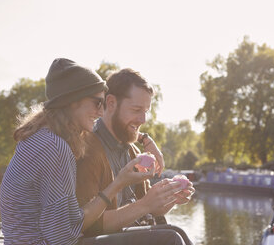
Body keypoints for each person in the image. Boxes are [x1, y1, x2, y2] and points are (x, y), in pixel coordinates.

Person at [0, 58, 185, 245]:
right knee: (170, 238)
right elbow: (64, 236)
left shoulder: (39, 138)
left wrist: (144, 139)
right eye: (98, 103)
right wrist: (119, 183)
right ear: (72, 101)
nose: (101, 111)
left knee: (171, 233)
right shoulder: (55, 147)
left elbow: (70, 224)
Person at [76, 68, 195, 241]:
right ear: (111, 103)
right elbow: (88, 225)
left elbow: (147, 208)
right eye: (136, 109)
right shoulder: (87, 149)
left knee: (177, 233)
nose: (143, 120)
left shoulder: (132, 150)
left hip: (126, 235)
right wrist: (145, 204)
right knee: (170, 238)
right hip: (94, 239)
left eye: (146, 111)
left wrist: (171, 197)